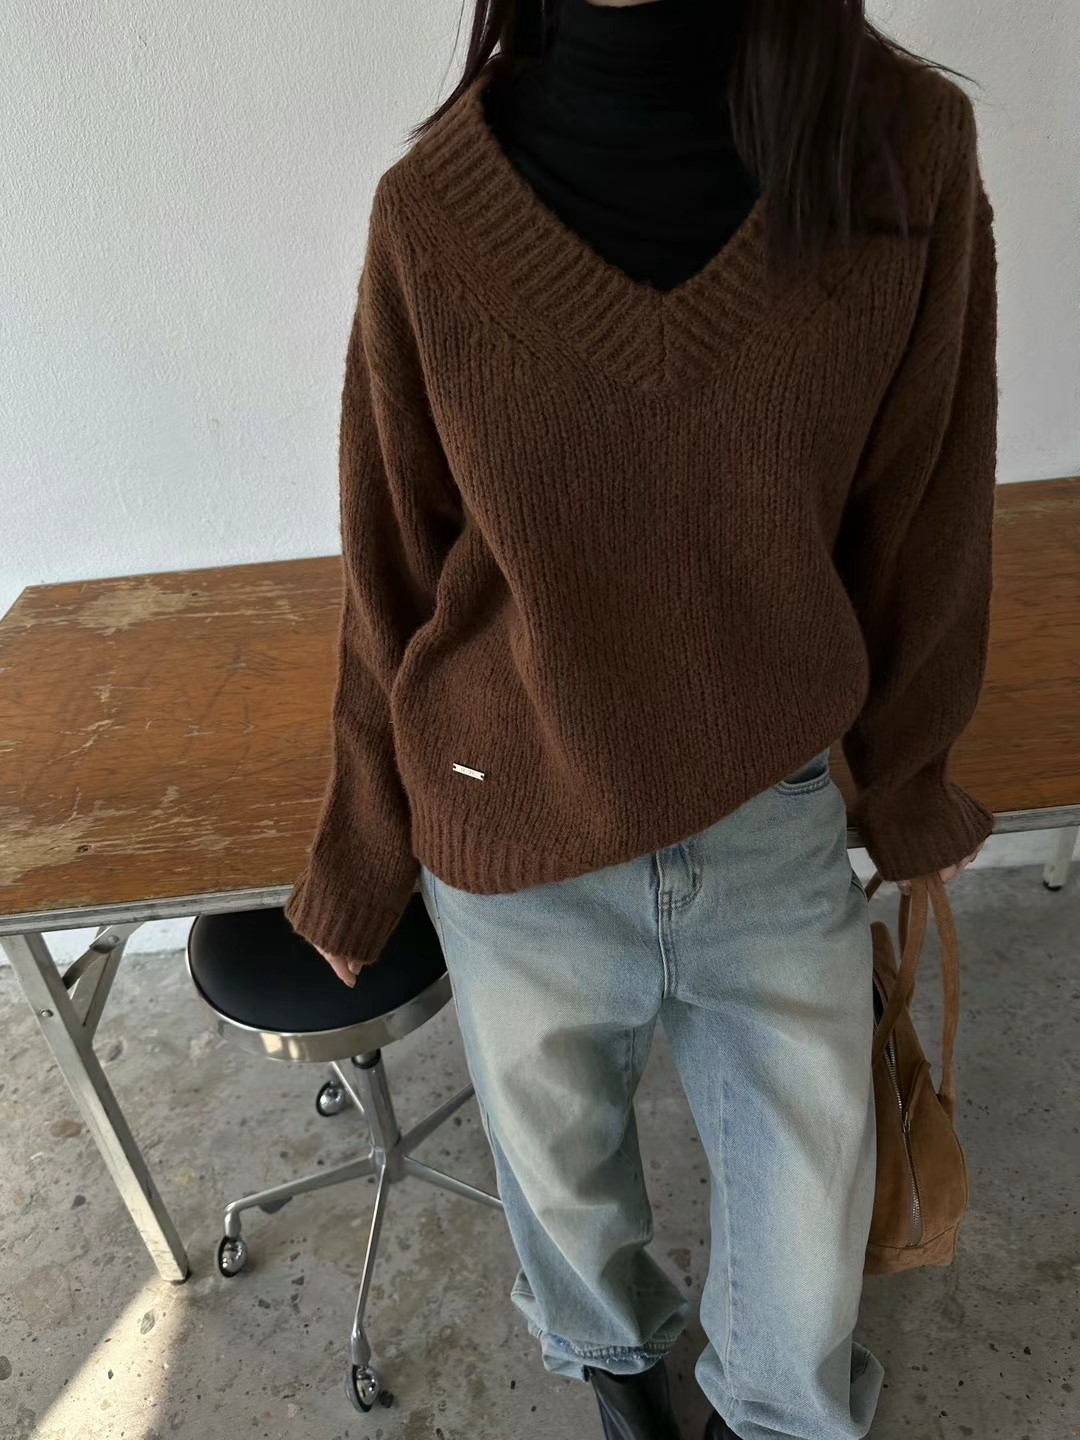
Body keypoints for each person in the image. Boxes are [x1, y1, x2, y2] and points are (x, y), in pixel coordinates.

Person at [283, 0, 997, 1435]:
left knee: (805, 1266)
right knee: (563, 1200)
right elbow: (393, 563)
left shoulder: (897, 156)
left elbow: (928, 507)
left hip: (770, 811)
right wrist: (363, 844)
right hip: (508, 811)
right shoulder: (434, 212)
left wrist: (908, 780)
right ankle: (623, 1390)